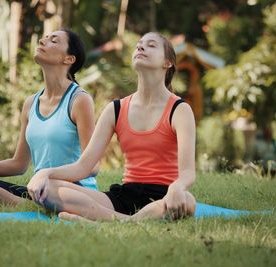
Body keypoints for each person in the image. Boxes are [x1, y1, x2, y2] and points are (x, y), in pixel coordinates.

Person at [27, 32, 197, 222]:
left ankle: (114, 221)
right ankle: (127, 221)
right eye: (139, 45)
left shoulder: (179, 109)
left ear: (168, 62)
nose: (140, 47)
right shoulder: (116, 109)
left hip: (164, 196)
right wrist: (45, 173)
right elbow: (84, 166)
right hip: (123, 197)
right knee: (49, 187)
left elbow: (188, 172)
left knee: (188, 201)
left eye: (151, 45)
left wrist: (177, 187)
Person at [0, 29, 98, 205]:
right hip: (40, 189)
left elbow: (92, 166)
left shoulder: (79, 100)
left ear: (69, 59)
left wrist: (48, 174)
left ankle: (43, 205)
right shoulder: (30, 103)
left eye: (53, 41)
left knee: (49, 192)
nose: (42, 41)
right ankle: (31, 205)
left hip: (72, 191)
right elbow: (18, 164)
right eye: (45, 38)